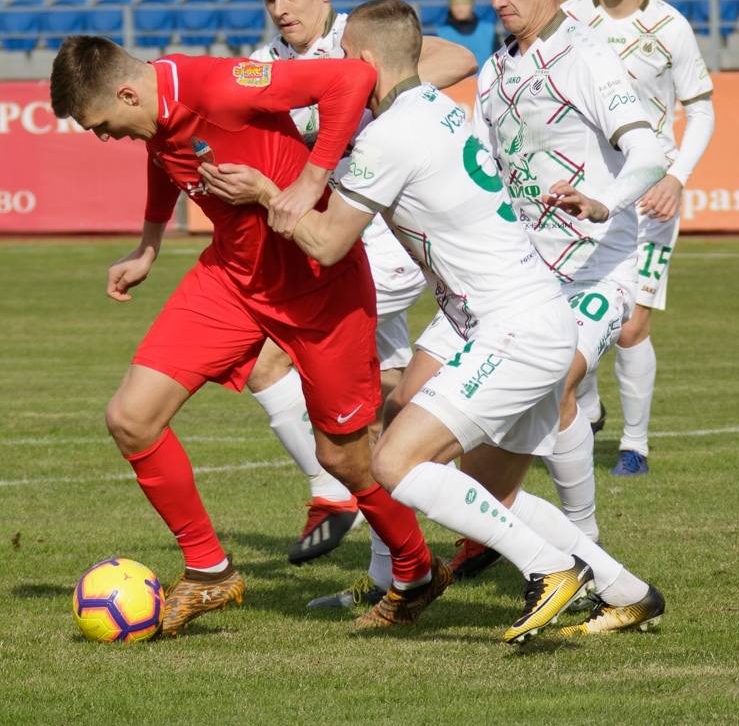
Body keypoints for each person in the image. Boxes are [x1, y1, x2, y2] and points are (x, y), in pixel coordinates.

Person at [202, 0, 665, 641]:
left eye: (342, 61)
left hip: (512, 329)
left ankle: (548, 568)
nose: (336, 71)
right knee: (488, 492)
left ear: (364, 63)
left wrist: (261, 193)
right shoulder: (442, 110)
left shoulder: (389, 136)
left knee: (396, 462)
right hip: (531, 318)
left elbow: (329, 242)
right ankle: (627, 591)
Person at [49, 37, 447, 634]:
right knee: (131, 418)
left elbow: (347, 80)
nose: (106, 137)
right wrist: (150, 244)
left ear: (127, 93)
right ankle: (210, 571)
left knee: (344, 456)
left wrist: (312, 182)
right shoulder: (155, 112)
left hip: (319, 285)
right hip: (233, 279)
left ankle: (417, 571)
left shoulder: (219, 85)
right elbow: (163, 153)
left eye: (104, 125)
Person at [246, 0, 477, 583]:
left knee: (267, 358)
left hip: (382, 233)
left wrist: (348, 94)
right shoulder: (264, 63)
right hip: (337, 235)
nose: (282, 8)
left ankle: (334, 488)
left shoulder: (363, 36)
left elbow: (459, 55)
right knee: (387, 409)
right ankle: (405, 563)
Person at [448, 0, 669, 581]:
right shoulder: (492, 73)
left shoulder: (588, 56)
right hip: (527, 272)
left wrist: (606, 201)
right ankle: (528, 542)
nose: (498, 1)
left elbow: (651, 150)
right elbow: (484, 174)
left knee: (553, 383)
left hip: (602, 262)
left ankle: (585, 552)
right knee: (495, 406)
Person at [563, 0, 715, 478]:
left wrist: (677, 177)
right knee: (578, 315)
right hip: (589, 195)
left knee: (631, 325)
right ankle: (589, 402)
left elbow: (700, 111)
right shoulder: (571, 19)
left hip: (652, 195)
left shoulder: (672, 26)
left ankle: (636, 443)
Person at [436, 0, 499, 67]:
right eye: (456, 4)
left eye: (464, 3)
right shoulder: (441, 35)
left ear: (472, 4)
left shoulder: (489, 31)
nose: (460, 8)